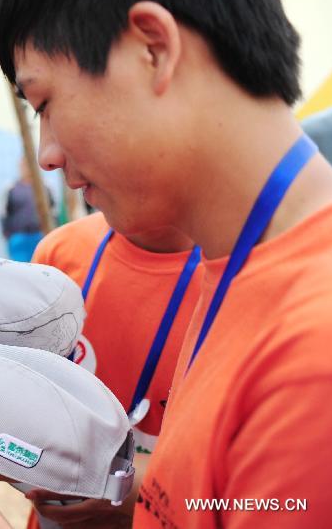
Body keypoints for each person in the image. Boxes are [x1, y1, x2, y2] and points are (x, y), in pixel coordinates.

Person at [0, 0, 332, 527]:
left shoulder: (318, 353)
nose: (45, 153)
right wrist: (106, 486)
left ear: (153, 48)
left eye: (43, 102)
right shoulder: (240, 265)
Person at [26, 213, 201, 529]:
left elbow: (263, 498)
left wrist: (135, 489)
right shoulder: (58, 252)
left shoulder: (248, 281)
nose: (50, 162)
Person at [1, 156, 53, 261]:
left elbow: (53, 210)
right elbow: (3, 213)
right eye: (24, 165)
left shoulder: (46, 187)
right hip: (18, 238)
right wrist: (9, 236)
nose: (26, 168)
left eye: (29, 165)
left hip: (41, 236)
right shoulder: (11, 188)